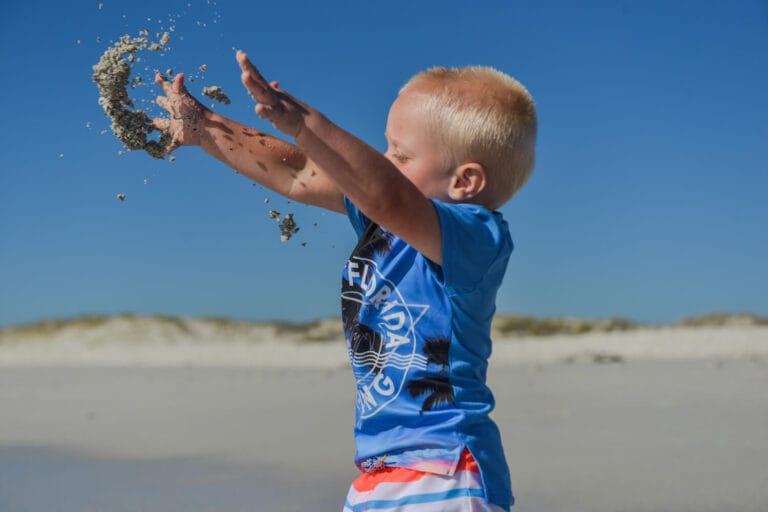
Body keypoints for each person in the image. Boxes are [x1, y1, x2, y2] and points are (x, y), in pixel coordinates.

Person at [153, 50, 537, 511]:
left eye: (401, 153)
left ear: (465, 180)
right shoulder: (381, 221)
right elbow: (300, 171)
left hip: (448, 466)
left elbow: (385, 193)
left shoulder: (478, 237)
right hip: (381, 467)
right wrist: (206, 127)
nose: (384, 159)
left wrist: (306, 125)